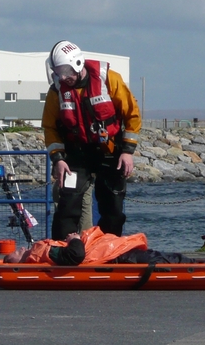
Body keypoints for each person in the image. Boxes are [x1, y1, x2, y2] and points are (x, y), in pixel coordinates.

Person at [42, 40, 142, 240]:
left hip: (110, 152)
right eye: (58, 72)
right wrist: (58, 159)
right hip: (76, 155)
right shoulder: (57, 91)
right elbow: (50, 127)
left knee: (112, 208)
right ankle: (62, 250)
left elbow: (133, 115)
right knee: (68, 204)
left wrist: (127, 152)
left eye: (66, 71)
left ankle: (108, 251)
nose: (63, 77)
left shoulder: (109, 80)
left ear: (78, 64)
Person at [3, 226, 205, 265]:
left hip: (119, 253)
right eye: (11, 255)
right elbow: (75, 255)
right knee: (172, 262)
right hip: (119, 259)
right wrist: (75, 239)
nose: (15, 249)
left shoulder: (40, 251)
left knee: (173, 258)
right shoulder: (39, 253)